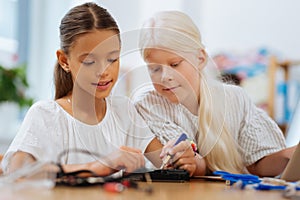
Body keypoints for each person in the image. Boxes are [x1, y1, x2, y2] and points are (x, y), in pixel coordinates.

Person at [1, 2, 162, 177]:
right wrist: (95, 167)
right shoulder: (47, 114)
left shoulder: (123, 110)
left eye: (112, 59)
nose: (103, 72)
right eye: (89, 62)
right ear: (64, 61)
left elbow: (164, 162)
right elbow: (16, 170)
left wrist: (184, 158)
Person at [133, 10, 297, 177]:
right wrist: (190, 162)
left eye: (175, 64)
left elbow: (259, 165)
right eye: (154, 69)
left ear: (201, 58)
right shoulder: (147, 105)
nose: (165, 77)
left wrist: (290, 155)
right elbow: (183, 165)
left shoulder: (235, 99)